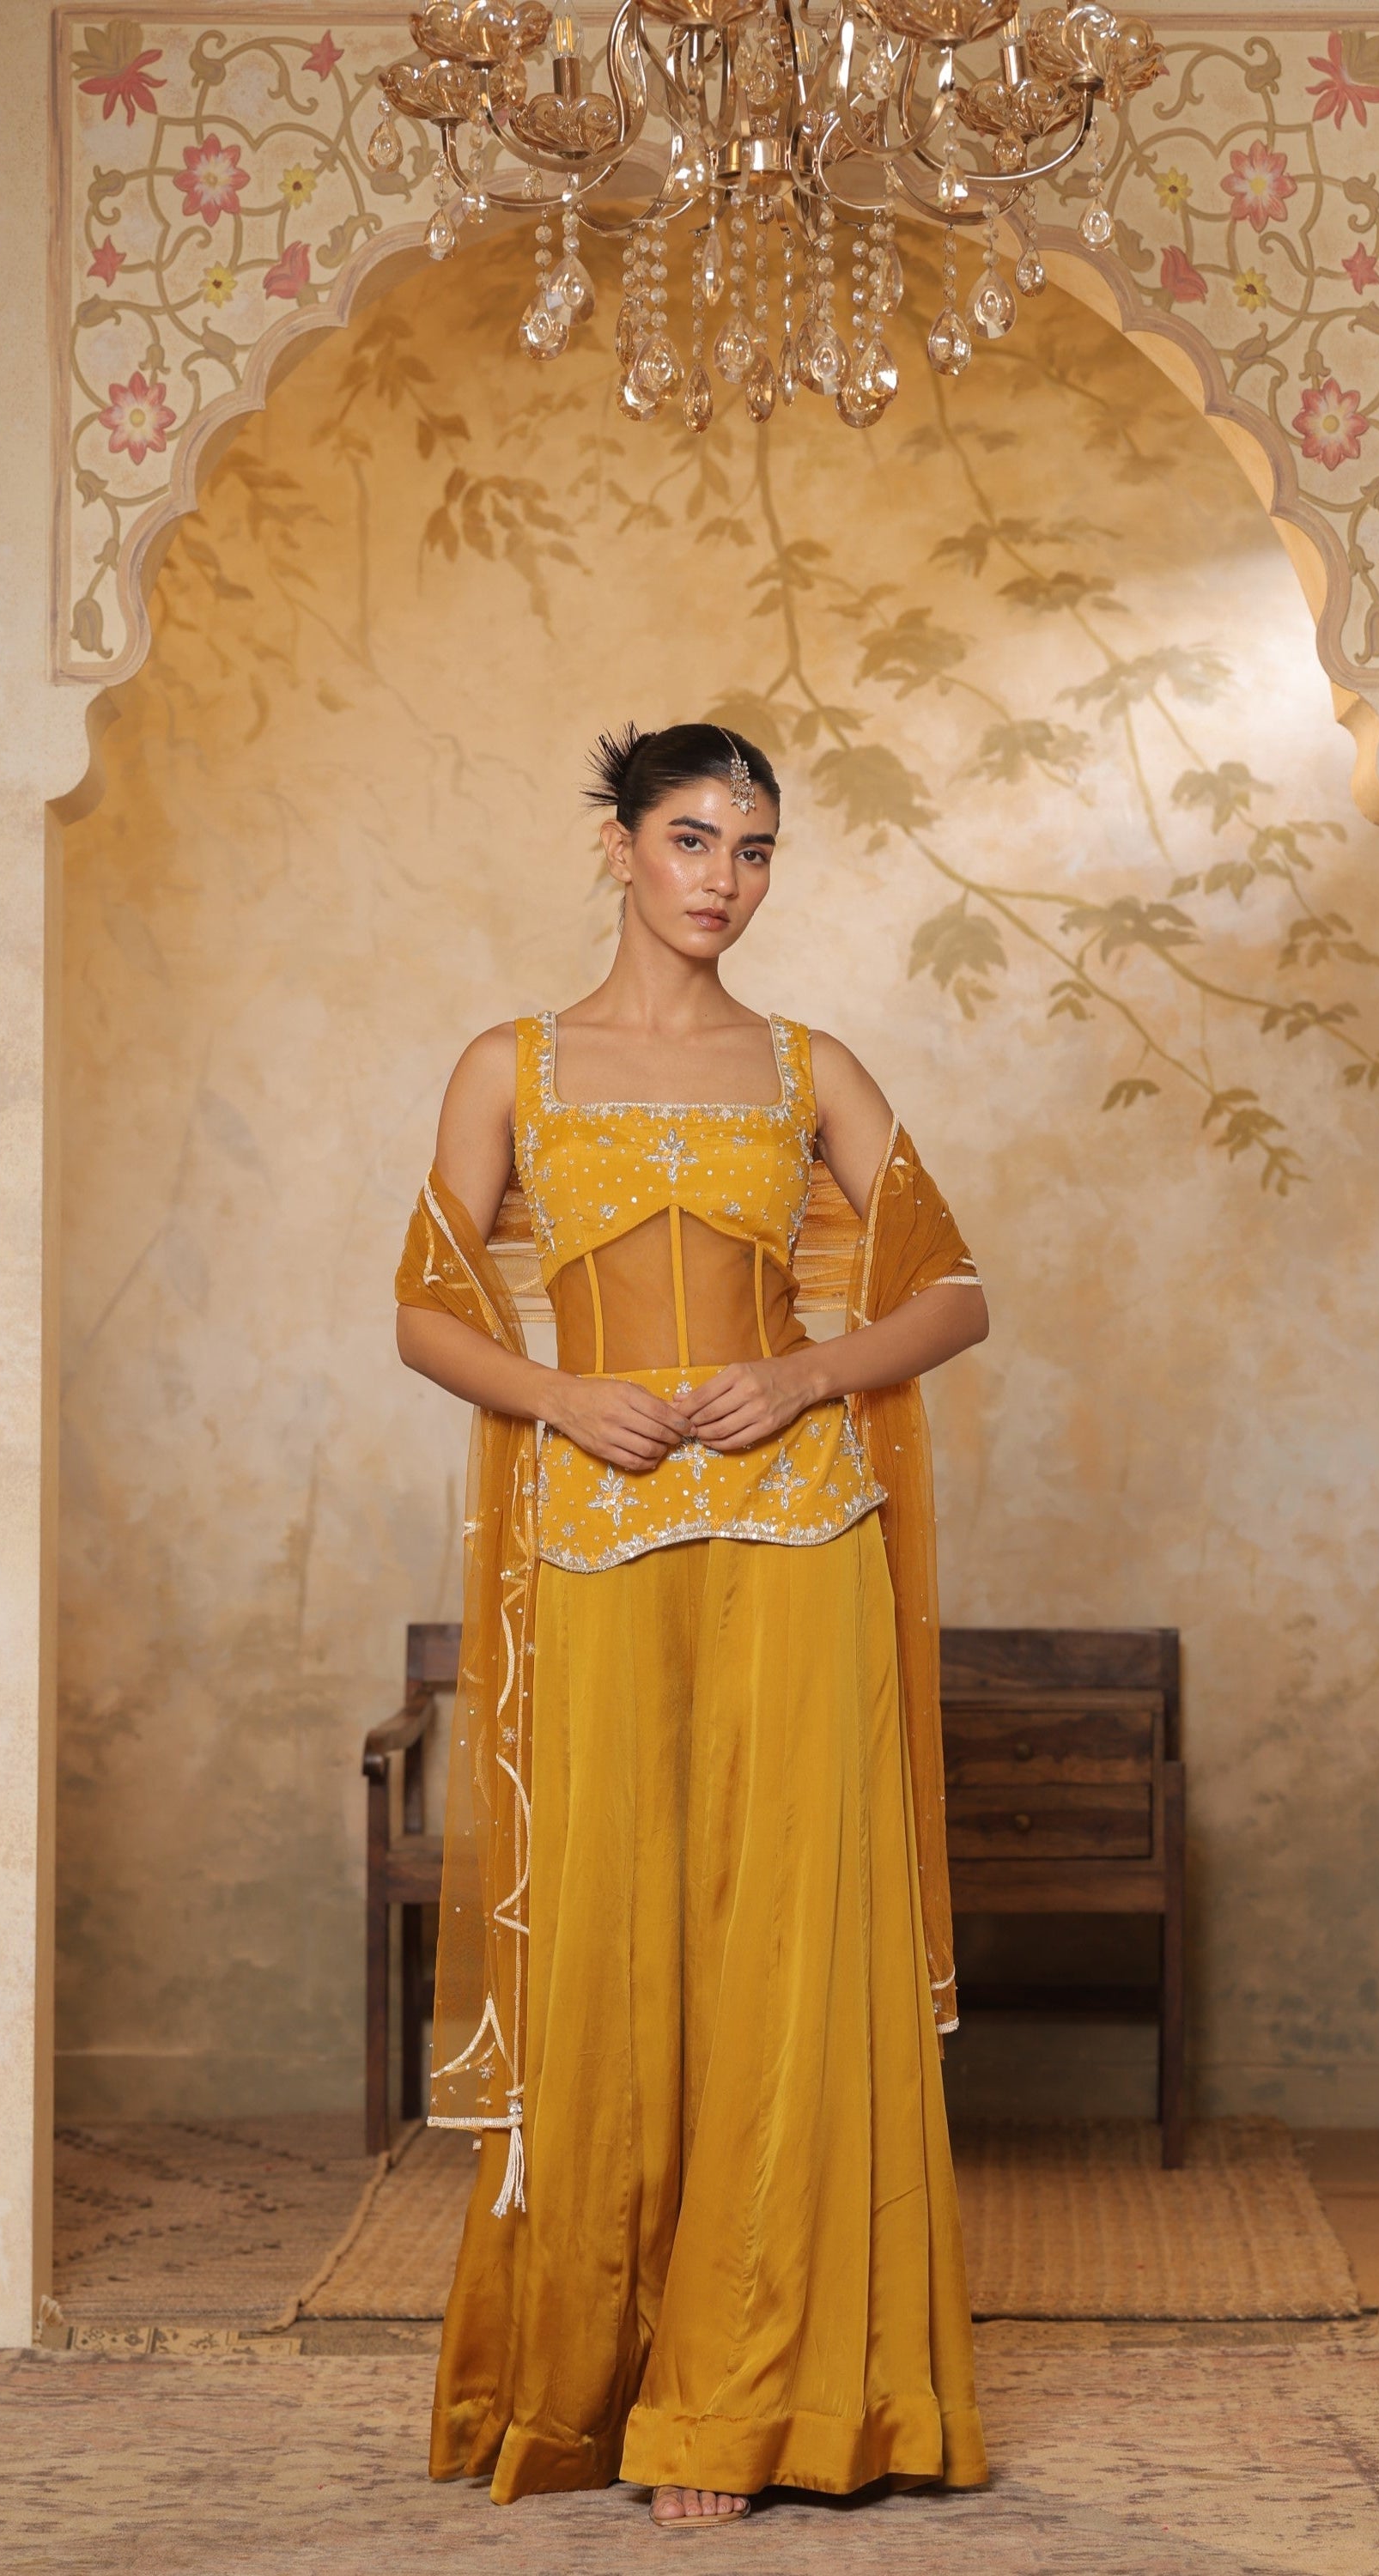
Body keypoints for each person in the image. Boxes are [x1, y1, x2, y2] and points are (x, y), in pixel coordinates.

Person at [395, 720, 989, 2529]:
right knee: (612, 1952)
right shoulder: (514, 1063)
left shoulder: (807, 1066)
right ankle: (582, 2382)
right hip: (595, 1543)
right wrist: (560, 1401)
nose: (722, 879)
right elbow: (425, 1311)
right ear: (616, 848)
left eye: (751, 849)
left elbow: (953, 1290)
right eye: (689, 840)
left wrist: (809, 1366)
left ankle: (745, 2402)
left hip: (800, 1537)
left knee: (786, 1958)